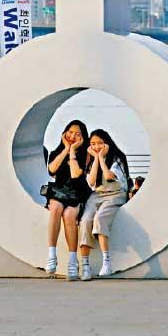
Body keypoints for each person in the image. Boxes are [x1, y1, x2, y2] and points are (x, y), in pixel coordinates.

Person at [77, 129, 130, 280]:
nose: (96, 146)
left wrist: (100, 157)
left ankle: (107, 262)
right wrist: (95, 159)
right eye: (93, 144)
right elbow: (92, 181)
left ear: (107, 143)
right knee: (85, 221)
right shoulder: (90, 160)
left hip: (115, 194)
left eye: (100, 143)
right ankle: (85, 265)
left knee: (100, 218)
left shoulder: (117, 158)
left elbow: (108, 176)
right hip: (97, 195)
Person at [43, 120, 90, 279]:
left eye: (77, 134)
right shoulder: (56, 151)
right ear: (64, 133)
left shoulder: (86, 154)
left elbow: (76, 174)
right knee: (56, 209)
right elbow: (52, 170)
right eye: (70, 132)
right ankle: (51, 255)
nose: (73, 136)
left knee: (69, 215)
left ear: (82, 138)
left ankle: (72, 260)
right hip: (59, 191)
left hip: (77, 192)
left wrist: (73, 151)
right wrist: (65, 149)